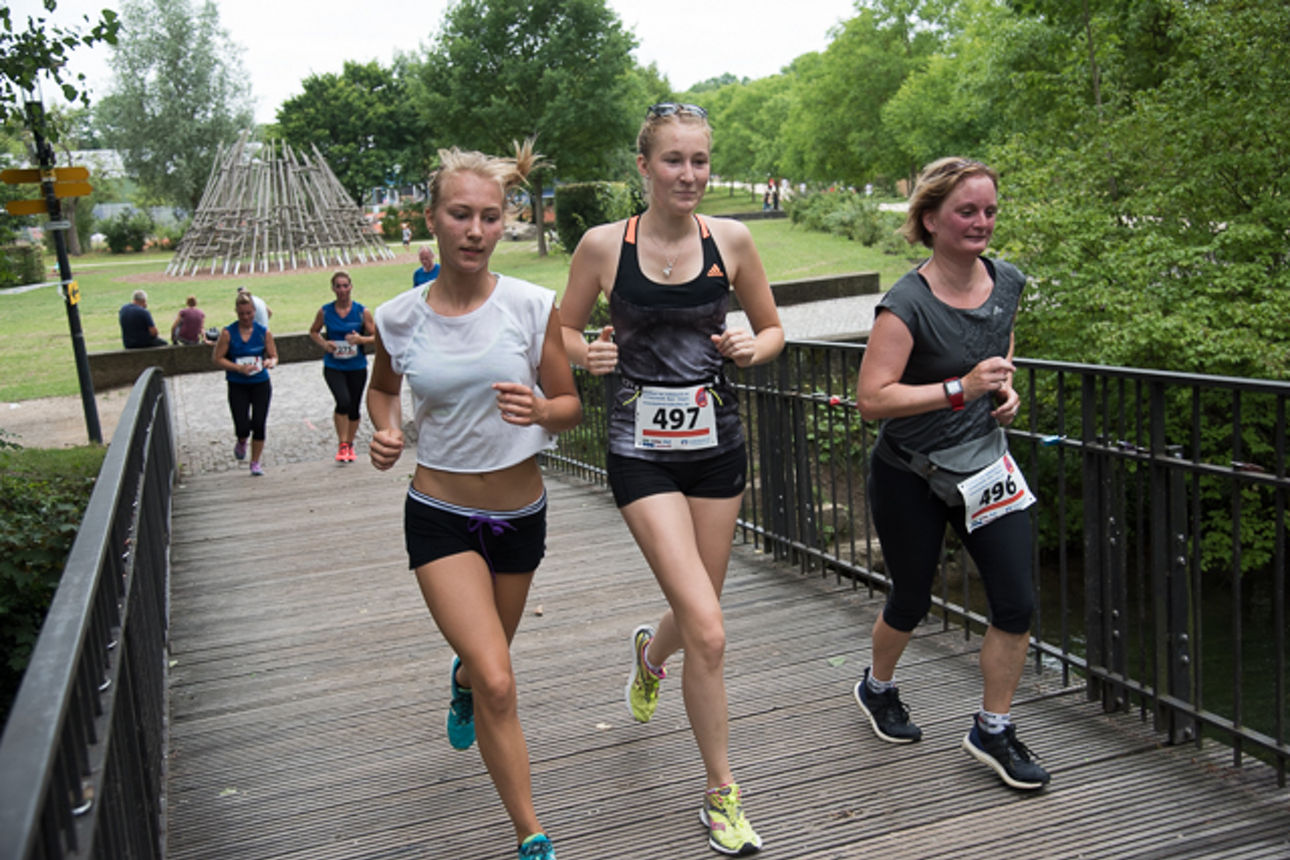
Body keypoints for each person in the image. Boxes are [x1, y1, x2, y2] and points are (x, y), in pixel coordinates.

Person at [560, 102, 784, 857]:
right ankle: (723, 796)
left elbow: (773, 330)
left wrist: (752, 346)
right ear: (644, 166)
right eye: (673, 160)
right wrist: (586, 354)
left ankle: (651, 658)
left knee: (698, 614)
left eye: (700, 160)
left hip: (717, 448)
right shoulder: (603, 246)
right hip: (641, 451)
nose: (689, 175)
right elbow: (563, 329)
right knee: (711, 631)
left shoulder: (733, 240)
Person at [366, 140, 580, 860]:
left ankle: (459, 678)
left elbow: (569, 405)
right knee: (498, 679)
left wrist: (541, 410)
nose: (476, 230)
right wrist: (385, 431)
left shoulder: (531, 306)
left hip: (520, 517)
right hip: (440, 515)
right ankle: (531, 834)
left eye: (490, 216)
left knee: (484, 666)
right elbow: (383, 390)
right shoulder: (398, 317)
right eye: (460, 214)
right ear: (431, 219)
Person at [852, 156, 1049, 791]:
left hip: (984, 467)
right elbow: (872, 399)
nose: (981, 222)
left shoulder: (1007, 280)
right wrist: (961, 389)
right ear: (931, 219)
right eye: (966, 211)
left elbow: (1000, 350)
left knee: (1016, 601)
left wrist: (1002, 392)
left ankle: (993, 728)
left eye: (989, 210)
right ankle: (878, 687)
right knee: (911, 597)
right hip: (909, 473)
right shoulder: (905, 304)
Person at [310, 271, 375, 463]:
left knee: (354, 406)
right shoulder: (325, 311)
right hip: (334, 365)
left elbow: (377, 336)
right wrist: (324, 344)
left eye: (345, 286)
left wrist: (361, 339)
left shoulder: (362, 312)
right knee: (343, 401)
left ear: (351, 287)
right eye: (338, 286)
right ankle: (342, 443)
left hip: (356, 365)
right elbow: (313, 331)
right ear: (333, 289)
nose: (342, 290)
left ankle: (350, 443)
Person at [213, 291, 278, 477]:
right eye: (242, 314)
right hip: (238, 384)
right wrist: (238, 368)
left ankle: (255, 462)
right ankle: (242, 440)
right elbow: (217, 358)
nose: (246, 317)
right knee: (242, 425)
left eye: (249, 313)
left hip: (260, 382)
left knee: (259, 423)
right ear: (236, 312)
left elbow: (274, 356)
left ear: (254, 312)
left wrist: (270, 362)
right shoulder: (228, 333)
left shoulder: (263, 332)